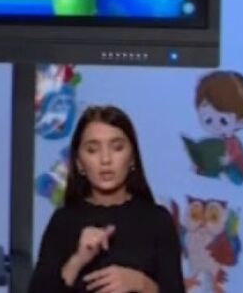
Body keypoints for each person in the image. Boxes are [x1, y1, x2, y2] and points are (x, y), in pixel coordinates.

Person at [28, 105, 186, 293]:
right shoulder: (63, 221)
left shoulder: (158, 221)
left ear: (132, 158)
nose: (105, 160)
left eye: (117, 148)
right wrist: (77, 261)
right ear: (79, 163)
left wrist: (142, 284)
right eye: (92, 150)